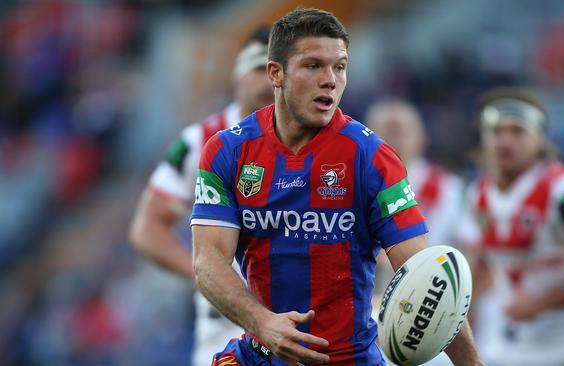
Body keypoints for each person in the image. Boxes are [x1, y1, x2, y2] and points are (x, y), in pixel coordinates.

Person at [191, 8, 483, 366]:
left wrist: (471, 363)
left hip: (347, 359)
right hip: (262, 350)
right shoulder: (228, 152)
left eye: (339, 67)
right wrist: (264, 324)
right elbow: (208, 260)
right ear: (276, 73)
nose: (330, 80)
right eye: (313, 66)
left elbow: (428, 279)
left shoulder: (371, 158)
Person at [129, 27, 274, 366]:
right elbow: (147, 227)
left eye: (278, 69)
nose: (269, 81)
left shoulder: (317, 140)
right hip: (228, 326)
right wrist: (203, 275)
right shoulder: (202, 139)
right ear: (237, 75)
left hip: (299, 314)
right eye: (259, 68)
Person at [458, 86, 564, 366]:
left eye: (517, 132)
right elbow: (481, 264)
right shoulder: (477, 194)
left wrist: (540, 303)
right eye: (496, 131)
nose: (504, 141)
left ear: (539, 139)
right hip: (512, 344)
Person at [365, 99, 464, 366]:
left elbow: (472, 253)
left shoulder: (451, 189)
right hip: (369, 316)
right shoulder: (353, 187)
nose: (394, 139)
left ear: (421, 139)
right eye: (386, 130)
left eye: (402, 131)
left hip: (434, 313)